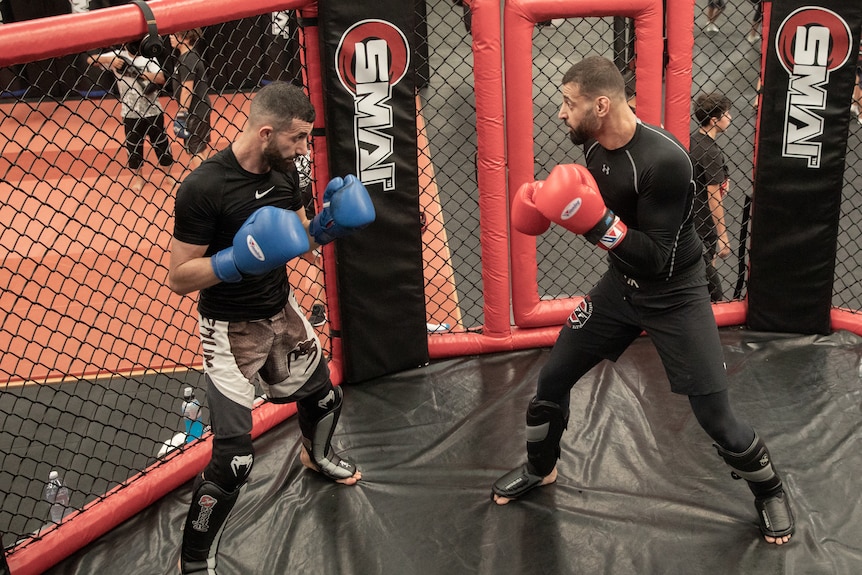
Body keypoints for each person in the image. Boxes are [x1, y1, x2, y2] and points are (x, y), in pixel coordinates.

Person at [493, 56, 794, 545]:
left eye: (571, 104)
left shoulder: (666, 162)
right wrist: (558, 205)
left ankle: (771, 491)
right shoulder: (593, 148)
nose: (562, 114)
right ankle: (540, 468)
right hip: (620, 289)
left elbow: (655, 256)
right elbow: (617, 236)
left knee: (715, 417)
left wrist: (591, 221)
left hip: (675, 294)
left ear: (602, 104)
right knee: (552, 379)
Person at [168, 81, 375, 574]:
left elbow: (295, 238)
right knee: (234, 462)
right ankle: (195, 561)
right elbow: (179, 277)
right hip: (229, 328)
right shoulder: (204, 188)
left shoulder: (288, 172)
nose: (305, 150)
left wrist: (326, 229)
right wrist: (235, 259)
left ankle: (316, 457)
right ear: (266, 132)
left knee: (325, 397)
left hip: (280, 310)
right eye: (297, 139)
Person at [87, 41, 173, 192]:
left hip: (153, 110)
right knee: (133, 147)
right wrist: (109, 60)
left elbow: (161, 78)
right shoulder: (118, 57)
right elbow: (90, 59)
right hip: (129, 112)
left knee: (161, 143)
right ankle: (139, 178)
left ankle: (168, 175)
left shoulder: (149, 58)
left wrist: (140, 73)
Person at [690, 92, 732, 302]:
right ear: (714, 121)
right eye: (726, 114)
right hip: (704, 224)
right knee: (711, 286)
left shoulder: (692, 141)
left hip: (689, 219)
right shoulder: (711, 153)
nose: (730, 118)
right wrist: (722, 235)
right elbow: (714, 196)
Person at [169, 28, 212, 172]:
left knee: (194, 149)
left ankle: (204, 183)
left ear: (186, 38)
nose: (171, 37)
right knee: (201, 146)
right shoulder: (189, 57)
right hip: (201, 109)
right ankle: (210, 178)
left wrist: (182, 113)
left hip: (195, 112)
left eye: (175, 34)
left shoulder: (188, 59)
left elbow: (187, 88)